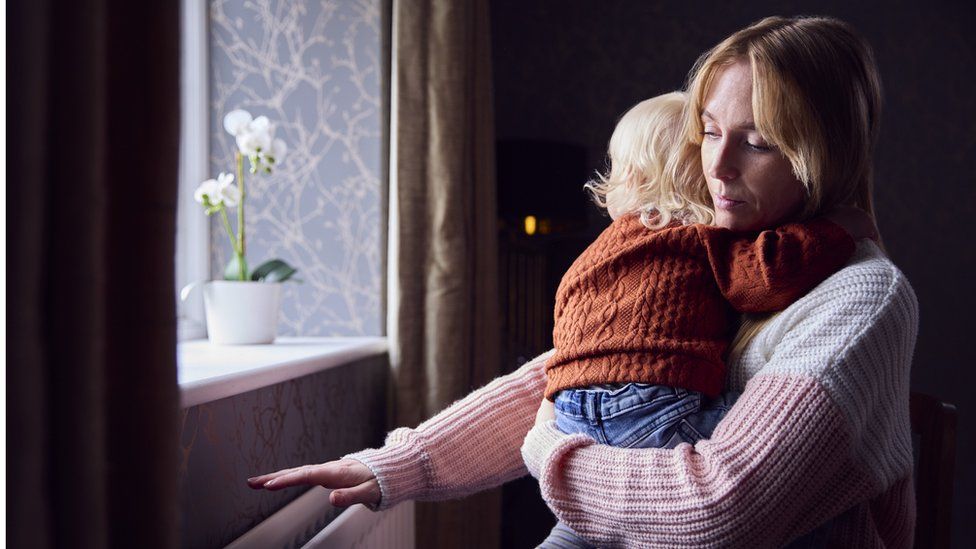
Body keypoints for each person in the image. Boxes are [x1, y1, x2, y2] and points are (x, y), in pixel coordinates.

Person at [248, 15, 918, 548]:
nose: (716, 165)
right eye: (710, 131)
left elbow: (716, 508)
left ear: (820, 151)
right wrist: (392, 467)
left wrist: (551, 450)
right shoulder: (728, 255)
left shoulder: (859, 297)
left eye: (757, 141)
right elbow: (578, 374)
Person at [533, 90, 871, 548]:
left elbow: (568, 330)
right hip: (648, 402)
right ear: (700, 182)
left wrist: (550, 424)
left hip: (569, 407)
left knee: (586, 527)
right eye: (711, 136)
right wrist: (839, 229)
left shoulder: (598, 253)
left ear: (629, 177)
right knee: (802, 469)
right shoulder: (699, 238)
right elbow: (767, 274)